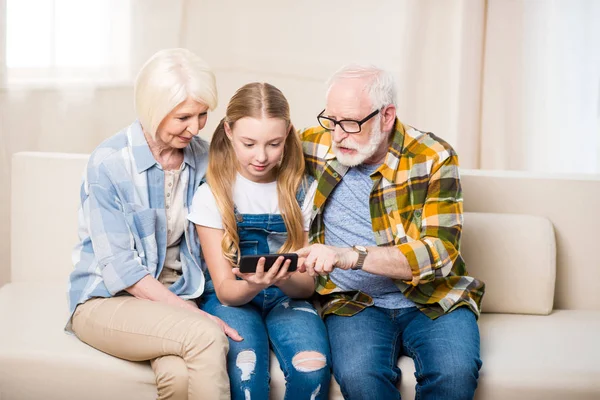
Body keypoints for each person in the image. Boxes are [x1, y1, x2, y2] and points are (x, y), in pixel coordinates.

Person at [296, 64, 486, 400]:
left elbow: (439, 254)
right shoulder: (317, 145)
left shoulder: (432, 157)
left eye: (351, 123)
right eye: (331, 120)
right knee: (359, 377)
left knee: (454, 374)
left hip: (431, 297)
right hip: (353, 303)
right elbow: (251, 146)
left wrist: (348, 256)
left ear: (387, 117)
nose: (338, 134)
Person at [67, 48, 241, 400]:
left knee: (179, 378)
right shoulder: (109, 163)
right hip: (106, 300)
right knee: (206, 336)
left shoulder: (205, 157)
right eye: (183, 118)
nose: (195, 128)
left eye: (203, 114)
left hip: (173, 296)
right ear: (154, 110)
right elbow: (120, 267)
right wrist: (194, 316)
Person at [188, 82, 331, 400]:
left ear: (288, 134)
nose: (261, 156)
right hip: (233, 300)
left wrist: (282, 278)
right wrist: (255, 283)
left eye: (274, 144)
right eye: (249, 143)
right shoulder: (211, 194)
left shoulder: (301, 190)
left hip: (288, 299)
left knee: (312, 370)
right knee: (245, 374)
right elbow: (226, 290)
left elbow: (306, 288)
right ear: (228, 131)